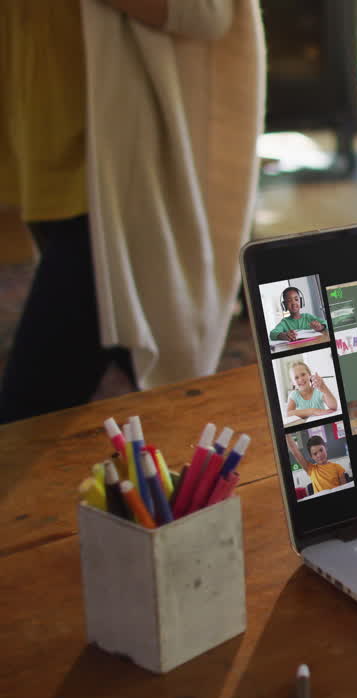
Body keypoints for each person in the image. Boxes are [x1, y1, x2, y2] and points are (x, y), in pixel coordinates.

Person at [0, 0, 265, 423]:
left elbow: (209, 11)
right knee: (146, 384)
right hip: (47, 161)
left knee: (26, 411)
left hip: (116, 183)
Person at [285, 433, 349, 495]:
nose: (319, 455)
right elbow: (295, 451)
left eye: (321, 450)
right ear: (311, 456)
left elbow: (344, 487)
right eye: (315, 454)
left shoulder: (338, 467)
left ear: (325, 448)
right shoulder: (310, 469)